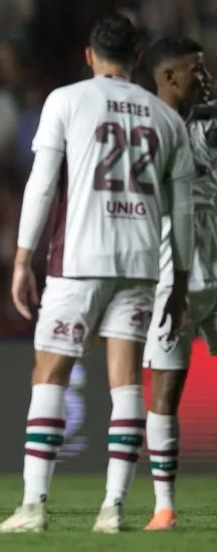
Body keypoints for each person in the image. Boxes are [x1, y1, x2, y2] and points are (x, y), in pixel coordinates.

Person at [0, 14, 195, 534]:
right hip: (142, 266)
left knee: (50, 373)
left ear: (89, 55)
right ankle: (113, 509)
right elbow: (183, 214)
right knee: (126, 384)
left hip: (78, 262)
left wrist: (20, 258)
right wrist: (181, 281)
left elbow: (41, 184)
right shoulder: (167, 119)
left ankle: (33, 507)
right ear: (138, 57)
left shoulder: (65, 100)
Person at [140, 37, 216, 532]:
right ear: (169, 77)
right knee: (165, 393)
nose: (206, 77)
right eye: (197, 70)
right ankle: (164, 507)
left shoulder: (209, 122)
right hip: (172, 282)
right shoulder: (145, 130)